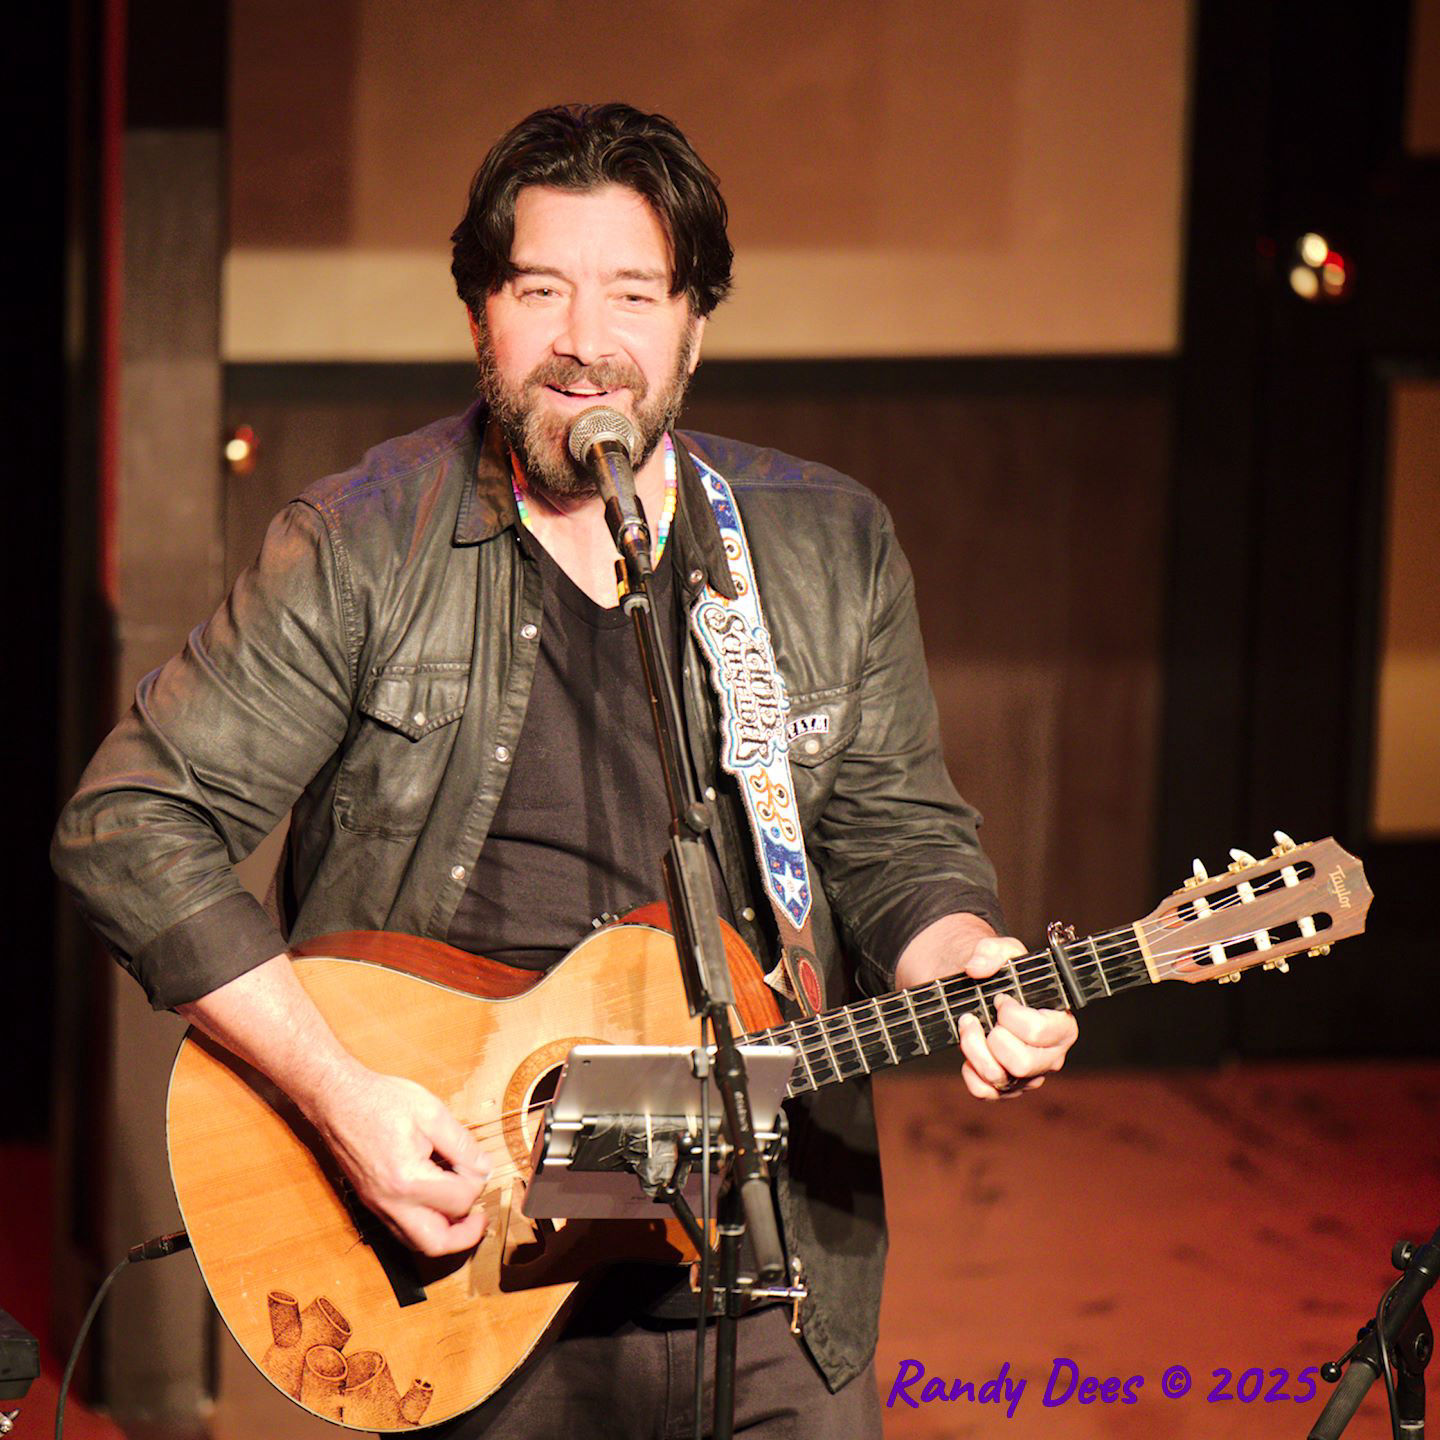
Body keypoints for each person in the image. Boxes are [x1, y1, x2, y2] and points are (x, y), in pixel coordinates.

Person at [53, 103, 1078, 1437]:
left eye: (634, 293)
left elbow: (897, 840)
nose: (585, 342)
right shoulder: (366, 544)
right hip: (466, 1268)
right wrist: (345, 1098)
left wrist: (960, 957)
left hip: (770, 1277)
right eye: (540, 288)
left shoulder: (827, 549)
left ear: (696, 322)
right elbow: (130, 823)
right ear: (483, 314)